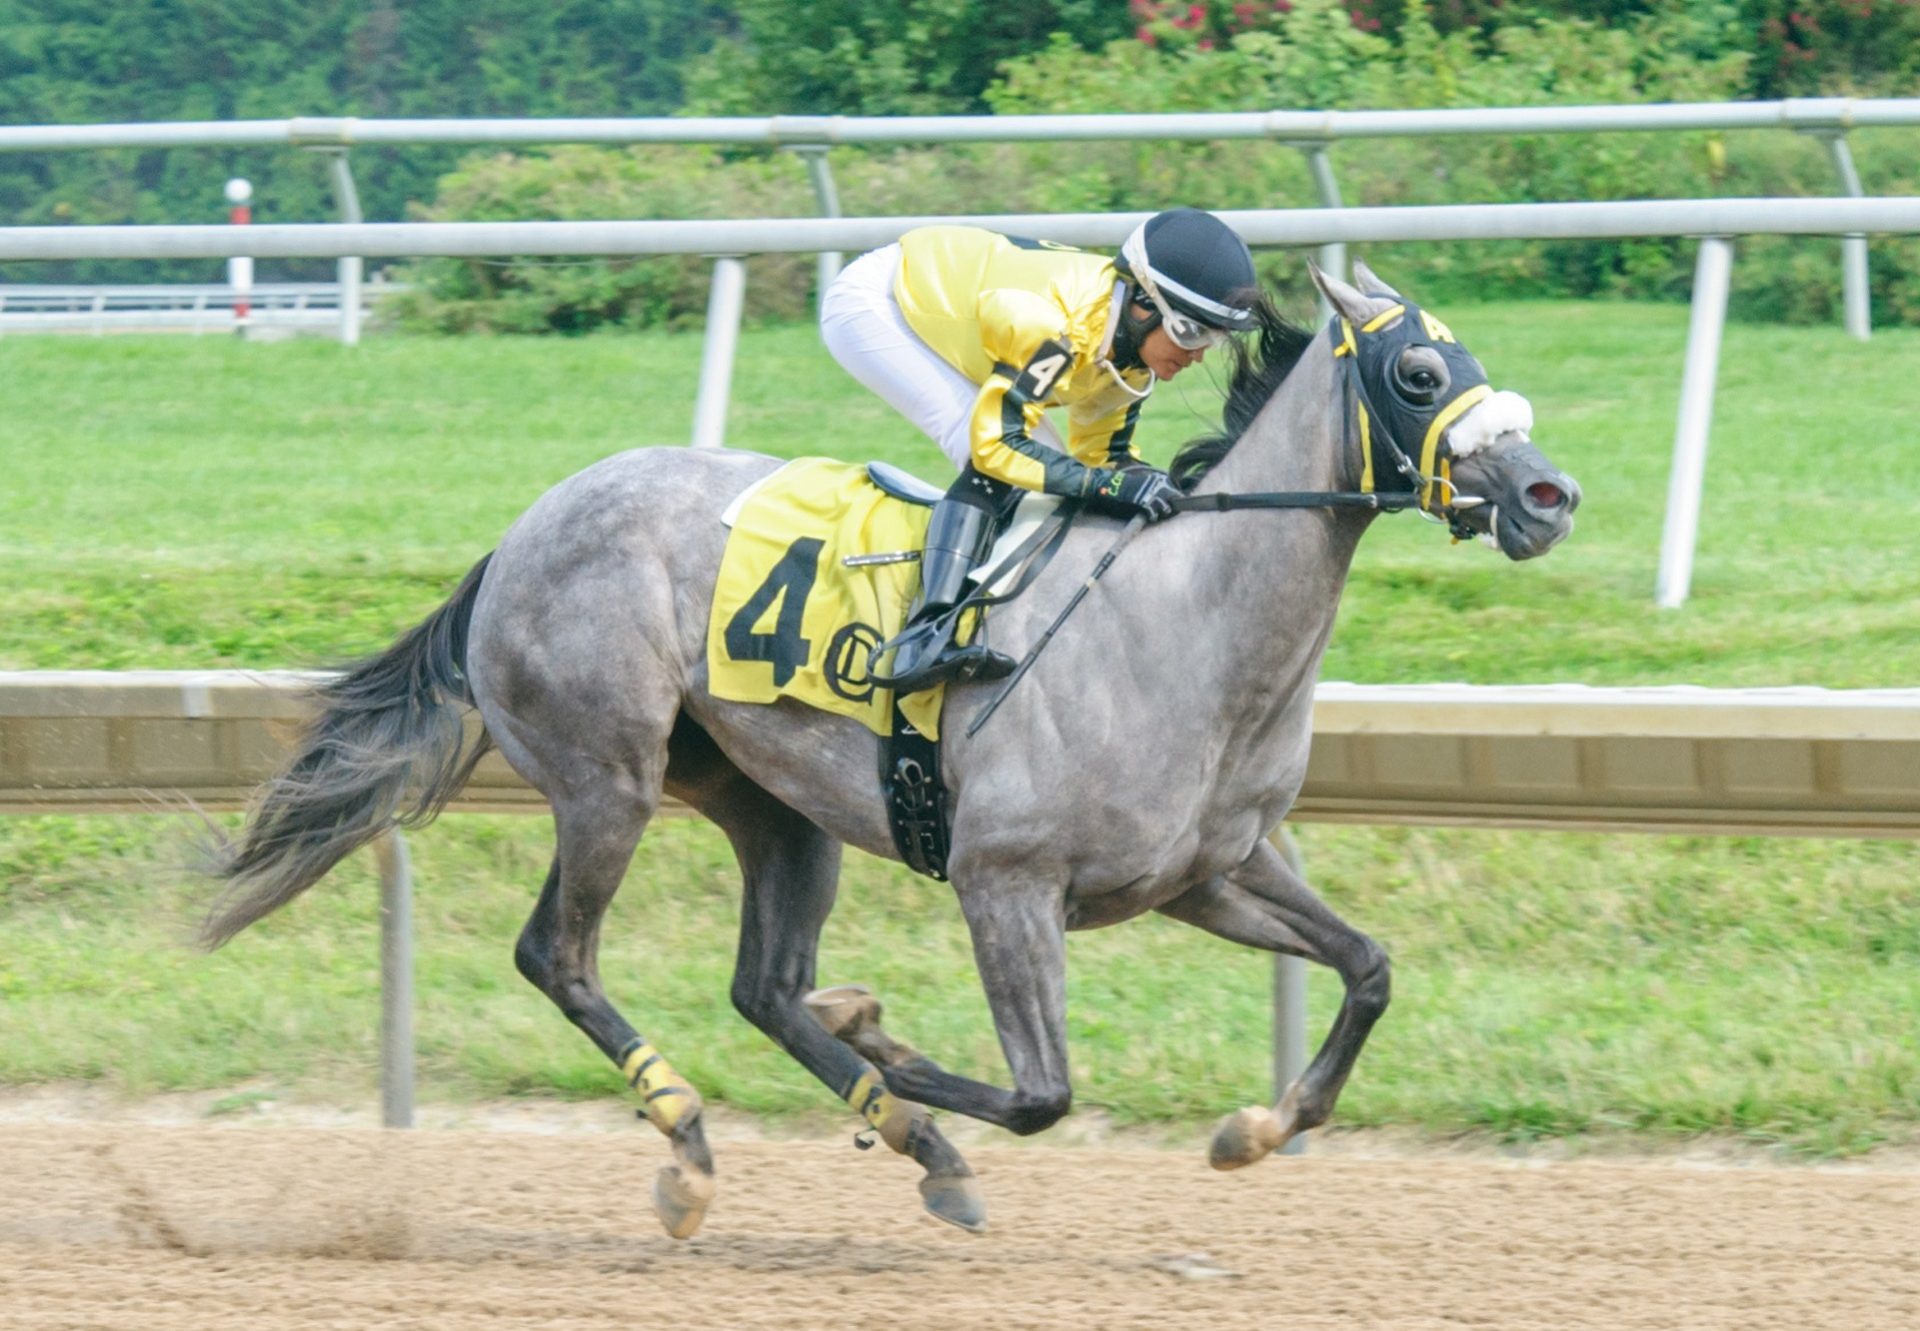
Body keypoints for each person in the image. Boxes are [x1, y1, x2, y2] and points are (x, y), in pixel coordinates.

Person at [820, 207, 1259, 692]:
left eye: (1211, 339)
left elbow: (1102, 459)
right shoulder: (1055, 331)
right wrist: (1108, 485)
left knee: (1054, 478)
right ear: (1141, 304)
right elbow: (997, 449)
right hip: (880, 303)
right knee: (1006, 464)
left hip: (969, 311)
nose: (1197, 355)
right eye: (1189, 332)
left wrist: (1149, 486)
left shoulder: (1132, 357)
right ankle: (925, 637)